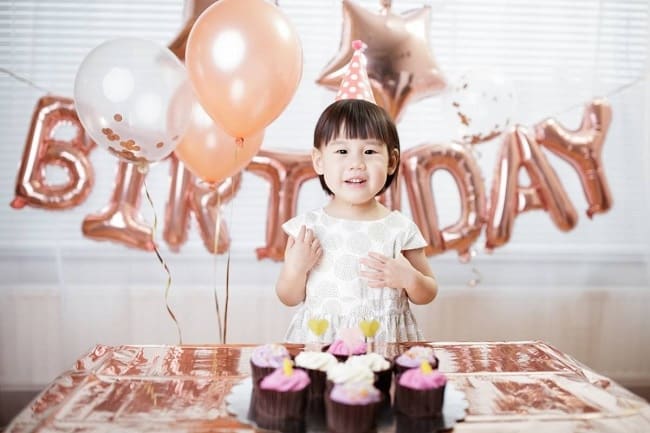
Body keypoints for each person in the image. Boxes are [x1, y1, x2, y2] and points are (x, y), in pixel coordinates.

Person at [275, 98, 438, 343]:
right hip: (322, 343)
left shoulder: (400, 229)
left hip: (384, 343)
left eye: (369, 151)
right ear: (319, 161)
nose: (356, 164)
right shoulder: (306, 229)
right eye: (342, 151)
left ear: (392, 161)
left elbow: (428, 292)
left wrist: (410, 279)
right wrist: (296, 269)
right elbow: (288, 297)